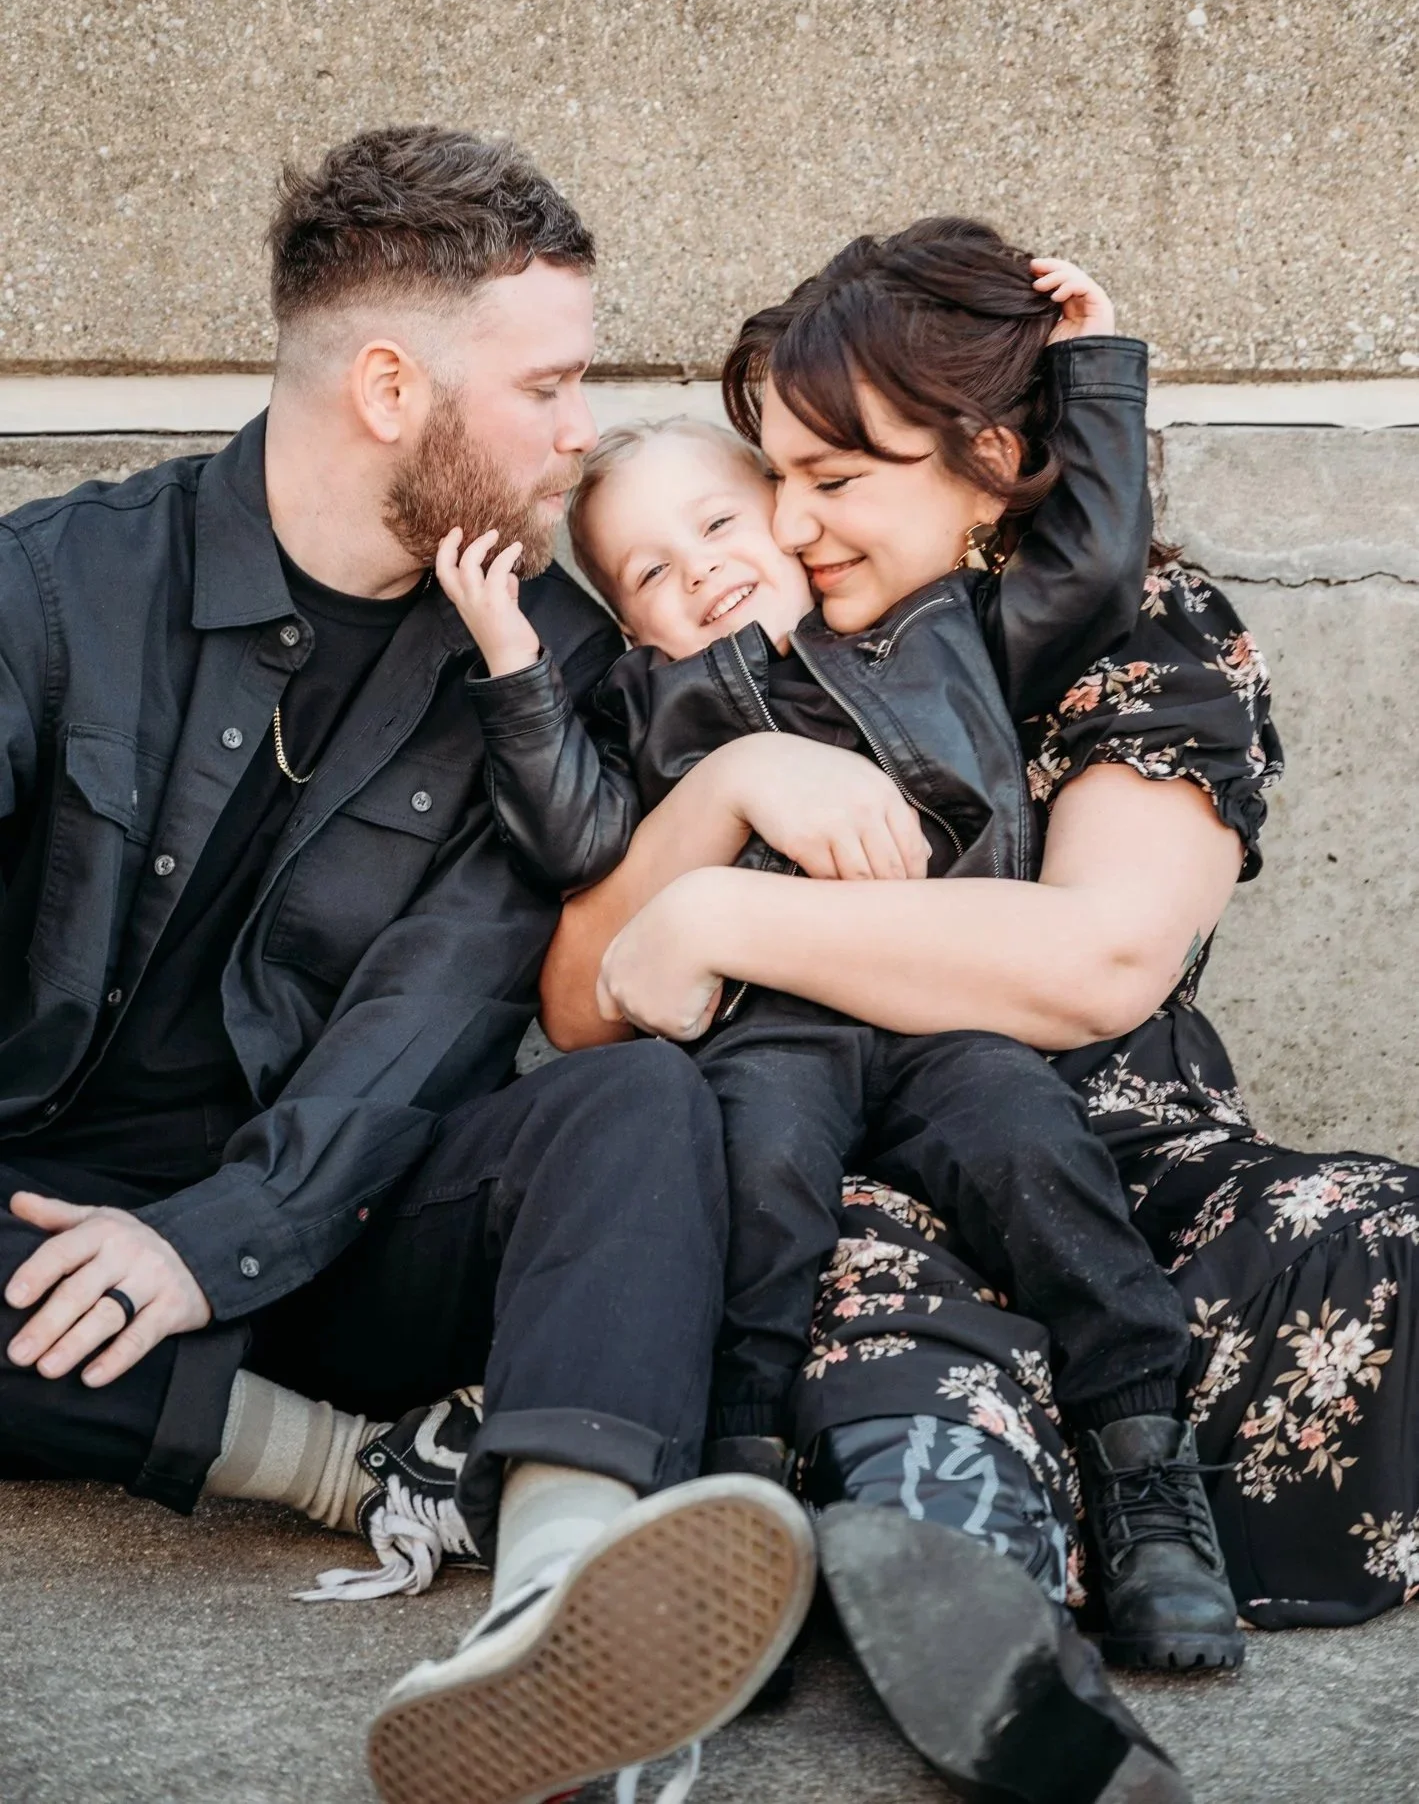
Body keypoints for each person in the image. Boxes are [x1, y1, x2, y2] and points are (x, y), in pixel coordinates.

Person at [541, 229, 1419, 1801]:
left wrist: (727, 910)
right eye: (773, 479)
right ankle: (988, 1620)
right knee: (872, 1309)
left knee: (1364, 1232)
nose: (786, 528)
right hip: (834, 1156)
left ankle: (1097, 1508)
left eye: (834, 478)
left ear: (988, 462)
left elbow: (1091, 963)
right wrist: (728, 792)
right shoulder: (727, 669)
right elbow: (587, 999)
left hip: (1113, 1153)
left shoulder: (1135, 625)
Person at [0, 124, 817, 1804]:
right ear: (390, 386)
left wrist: (208, 1239)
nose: (581, 435)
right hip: (24, 1228)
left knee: (633, 1102)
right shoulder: (56, 589)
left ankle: (563, 1618)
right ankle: (365, 1473)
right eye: (549, 385)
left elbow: (432, 1014)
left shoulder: (547, 667)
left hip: (330, 1220)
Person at [436, 223, 1240, 1675]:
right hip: (777, 1033)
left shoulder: (963, 630)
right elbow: (572, 868)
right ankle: (726, 1523)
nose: (732, 565)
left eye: (754, 516)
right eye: (653, 576)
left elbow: (1093, 550)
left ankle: (1142, 1471)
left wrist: (1099, 372)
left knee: (1030, 1158)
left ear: (984, 460)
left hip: (956, 1030)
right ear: (627, 627)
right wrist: (527, 678)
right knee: (755, 1197)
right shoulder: (656, 706)